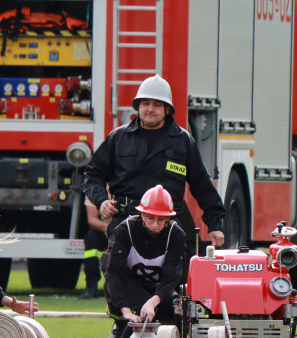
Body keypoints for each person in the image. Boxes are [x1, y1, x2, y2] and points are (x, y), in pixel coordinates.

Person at [82, 75, 226, 251]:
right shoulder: (118, 138)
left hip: (167, 227)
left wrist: (215, 224)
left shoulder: (183, 141)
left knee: (172, 277)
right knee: (118, 277)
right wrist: (101, 200)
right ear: (138, 106)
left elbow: (202, 185)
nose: (150, 109)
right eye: (145, 103)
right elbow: (93, 175)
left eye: (157, 105)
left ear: (167, 109)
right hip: (125, 224)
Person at [102, 184, 187, 338]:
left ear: (169, 218)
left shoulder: (176, 235)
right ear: (141, 214)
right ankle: (119, 337)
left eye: (161, 219)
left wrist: (154, 301)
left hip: (159, 287)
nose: (155, 224)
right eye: (150, 218)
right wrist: (126, 311)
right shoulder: (125, 230)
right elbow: (114, 273)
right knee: (136, 314)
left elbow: (172, 275)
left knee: (174, 310)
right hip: (127, 285)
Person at [78, 199, 108, 299]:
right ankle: (91, 287)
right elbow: (92, 220)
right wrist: (107, 228)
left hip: (126, 228)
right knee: (92, 236)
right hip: (105, 229)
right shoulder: (94, 189)